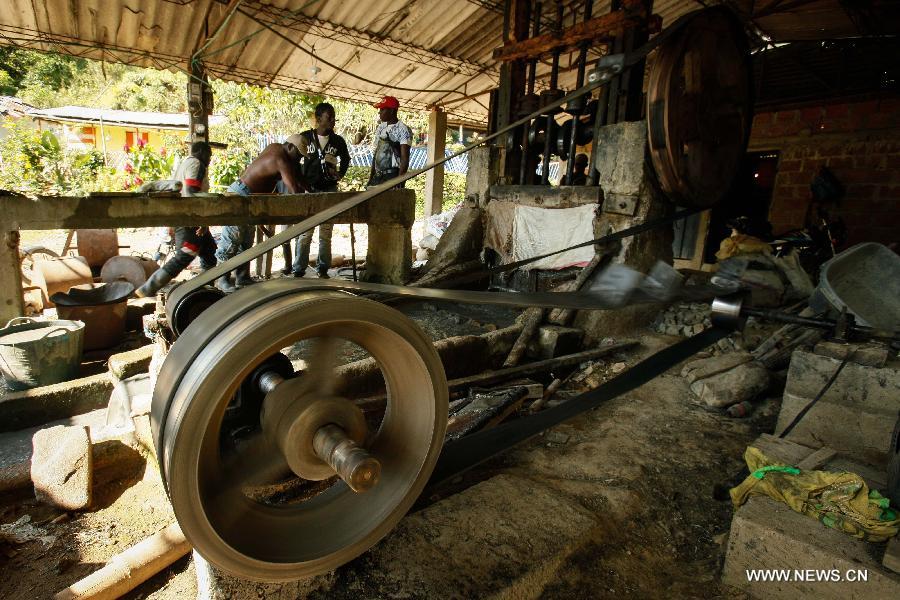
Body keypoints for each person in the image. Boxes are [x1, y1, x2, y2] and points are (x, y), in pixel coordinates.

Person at [216, 137, 307, 292]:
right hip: (241, 195)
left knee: (246, 242)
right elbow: (293, 189)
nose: (299, 159)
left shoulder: (275, 147)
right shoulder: (280, 158)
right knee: (232, 240)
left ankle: (242, 277)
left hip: (251, 197)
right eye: (298, 155)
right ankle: (221, 279)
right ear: (291, 147)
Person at [135, 141, 216, 298]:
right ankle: (147, 288)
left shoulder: (185, 163)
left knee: (210, 253)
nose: (210, 159)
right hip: (190, 218)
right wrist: (201, 219)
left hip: (190, 216)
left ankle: (205, 289)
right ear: (202, 153)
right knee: (185, 255)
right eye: (209, 155)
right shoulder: (197, 164)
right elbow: (192, 192)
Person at [290, 102, 351, 278]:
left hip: (330, 190)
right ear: (318, 119)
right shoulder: (305, 138)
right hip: (309, 190)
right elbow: (294, 162)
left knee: (326, 232)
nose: (333, 120)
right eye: (329, 117)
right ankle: (299, 269)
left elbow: (346, 159)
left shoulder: (338, 141)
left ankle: (323, 268)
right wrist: (300, 184)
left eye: (333, 116)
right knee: (305, 232)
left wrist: (340, 174)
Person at [367, 96, 412, 187]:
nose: (379, 112)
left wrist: (399, 182)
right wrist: (371, 178)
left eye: (382, 109)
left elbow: (404, 158)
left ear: (391, 111)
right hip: (378, 176)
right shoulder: (381, 127)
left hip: (392, 176)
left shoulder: (403, 129)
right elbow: (376, 154)